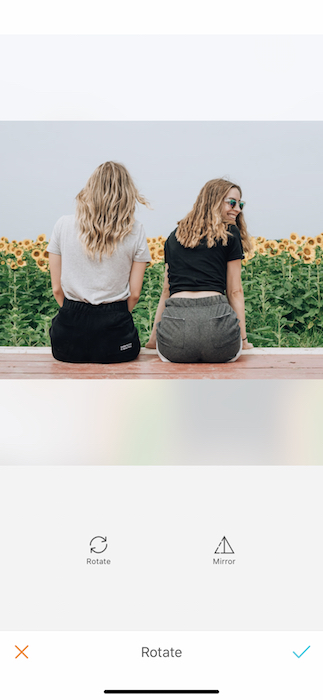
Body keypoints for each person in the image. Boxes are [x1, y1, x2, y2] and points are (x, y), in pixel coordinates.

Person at [48, 161, 151, 363]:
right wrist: (113, 316)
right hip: (115, 336)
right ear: (127, 193)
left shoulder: (63, 225)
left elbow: (57, 289)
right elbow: (135, 294)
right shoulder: (136, 230)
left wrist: (74, 313)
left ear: (90, 189)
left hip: (67, 339)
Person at [146, 178, 253, 363]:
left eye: (240, 204)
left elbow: (166, 291)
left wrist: (153, 339)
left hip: (174, 341)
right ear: (214, 200)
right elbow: (235, 291)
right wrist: (243, 340)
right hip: (219, 336)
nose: (238, 209)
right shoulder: (230, 233)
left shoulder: (174, 236)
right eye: (232, 202)